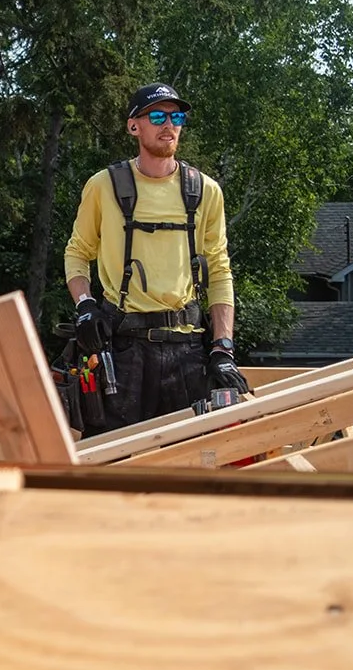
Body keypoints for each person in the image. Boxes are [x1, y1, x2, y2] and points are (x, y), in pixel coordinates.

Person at [60, 82, 249, 434]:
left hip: (188, 350)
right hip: (124, 351)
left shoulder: (204, 190)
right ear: (134, 126)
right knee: (114, 464)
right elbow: (77, 253)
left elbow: (220, 272)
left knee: (192, 461)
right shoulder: (104, 186)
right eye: (158, 115)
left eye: (176, 116)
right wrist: (85, 305)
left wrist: (223, 347)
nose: (169, 125)